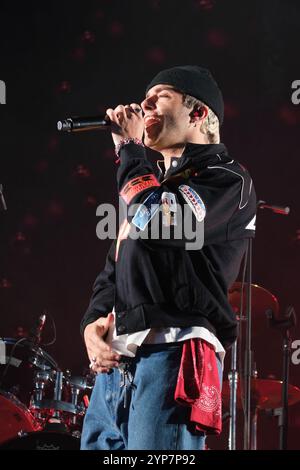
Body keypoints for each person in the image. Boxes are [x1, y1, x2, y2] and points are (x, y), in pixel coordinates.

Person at [80, 65, 256, 450]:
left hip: (173, 355)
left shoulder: (227, 178)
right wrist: (92, 326)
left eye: (160, 95)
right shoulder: (152, 184)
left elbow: (160, 223)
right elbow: (116, 266)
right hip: (115, 370)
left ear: (197, 113)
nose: (144, 104)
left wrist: (128, 149)